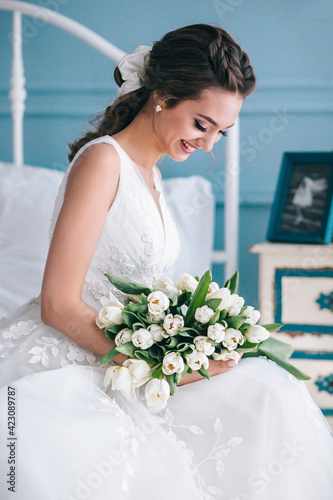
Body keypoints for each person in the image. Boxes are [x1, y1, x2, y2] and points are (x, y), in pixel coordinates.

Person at [0, 23, 332, 500]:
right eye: (202, 124)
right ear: (162, 95)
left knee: (271, 393)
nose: (209, 144)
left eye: (222, 131)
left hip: (132, 352)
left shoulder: (151, 175)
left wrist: (189, 345)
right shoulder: (103, 162)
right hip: (83, 352)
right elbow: (56, 304)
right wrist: (161, 367)